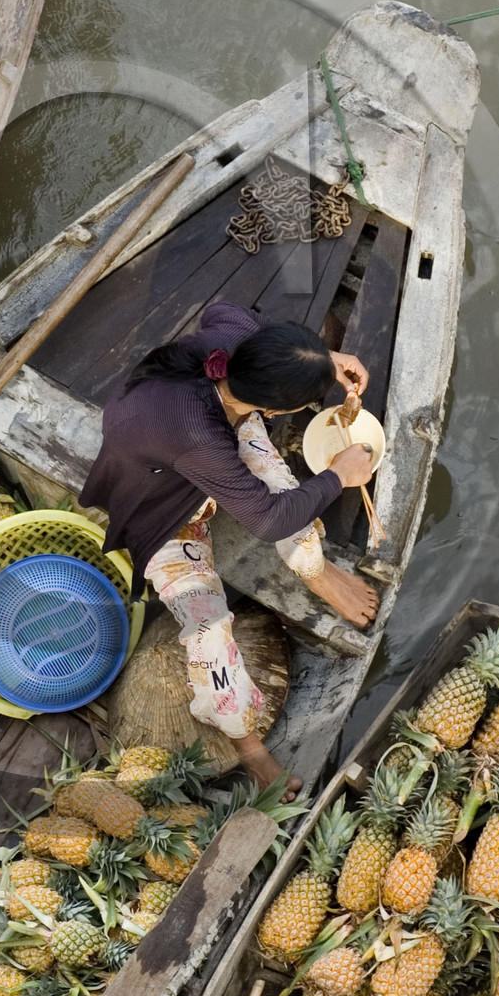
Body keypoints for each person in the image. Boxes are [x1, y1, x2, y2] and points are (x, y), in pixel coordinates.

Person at [78, 301, 382, 791]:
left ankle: (317, 572)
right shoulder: (199, 437)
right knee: (209, 631)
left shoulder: (235, 342)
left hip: (211, 432)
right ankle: (247, 744)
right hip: (168, 516)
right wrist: (337, 476)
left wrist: (320, 358)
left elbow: (224, 306)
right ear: (278, 409)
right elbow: (266, 520)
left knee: (286, 491)